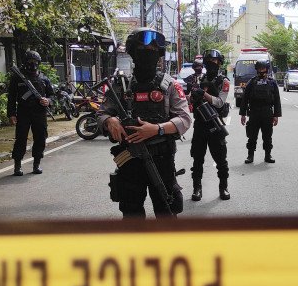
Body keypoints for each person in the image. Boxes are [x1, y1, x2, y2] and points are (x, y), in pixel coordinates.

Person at [98, 27, 193, 218]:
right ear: (132, 53)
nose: (147, 56)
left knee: (166, 211)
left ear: (158, 55)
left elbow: (184, 118)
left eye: (151, 52)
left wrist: (156, 129)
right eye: (141, 51)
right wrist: (110, 120)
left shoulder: (170, 85)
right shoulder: (121, 86)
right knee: (131, 214)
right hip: (129, 161)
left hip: (161, 161)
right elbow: (101, 113)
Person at [189, 49, 231, 201]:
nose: (212, 65)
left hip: (215, 124)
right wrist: (191, 97)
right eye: (209, 62)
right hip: (200, 124)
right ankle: (197, 188)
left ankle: (223, 187)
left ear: (220, 63)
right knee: (197, 158)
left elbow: (220, 103)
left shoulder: (224, 81)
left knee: (221, 159)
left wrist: (204, 94)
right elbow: (190, 101)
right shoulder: (198, 79)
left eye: (215, 62)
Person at [8, 50, 54, 176]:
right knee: (21, 139)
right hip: (23, 112)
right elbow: (11, 97)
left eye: (35, 62)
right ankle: (17, 166)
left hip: (40, 113)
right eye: (30, 62)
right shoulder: (17, 77)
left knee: (40, 138)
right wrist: (11, 114)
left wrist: (48, 100)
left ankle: (36, 164)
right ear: (25, 63)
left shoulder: (44, 78)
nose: (32, 64)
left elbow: (52, 95)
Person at [240, 60, 281, 164]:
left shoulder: (272, 82)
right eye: (259, 69)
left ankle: (268, 155)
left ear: (266, 69)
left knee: (267, 136)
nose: (261, 71)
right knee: (252, 136)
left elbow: (277, 100)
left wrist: (276, 115)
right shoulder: (251, 82)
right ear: (257, 69)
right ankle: (250, 156)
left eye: (263, 69)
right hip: (254, 112)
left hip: (267, 112)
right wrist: (243, 114)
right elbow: (244, 99)